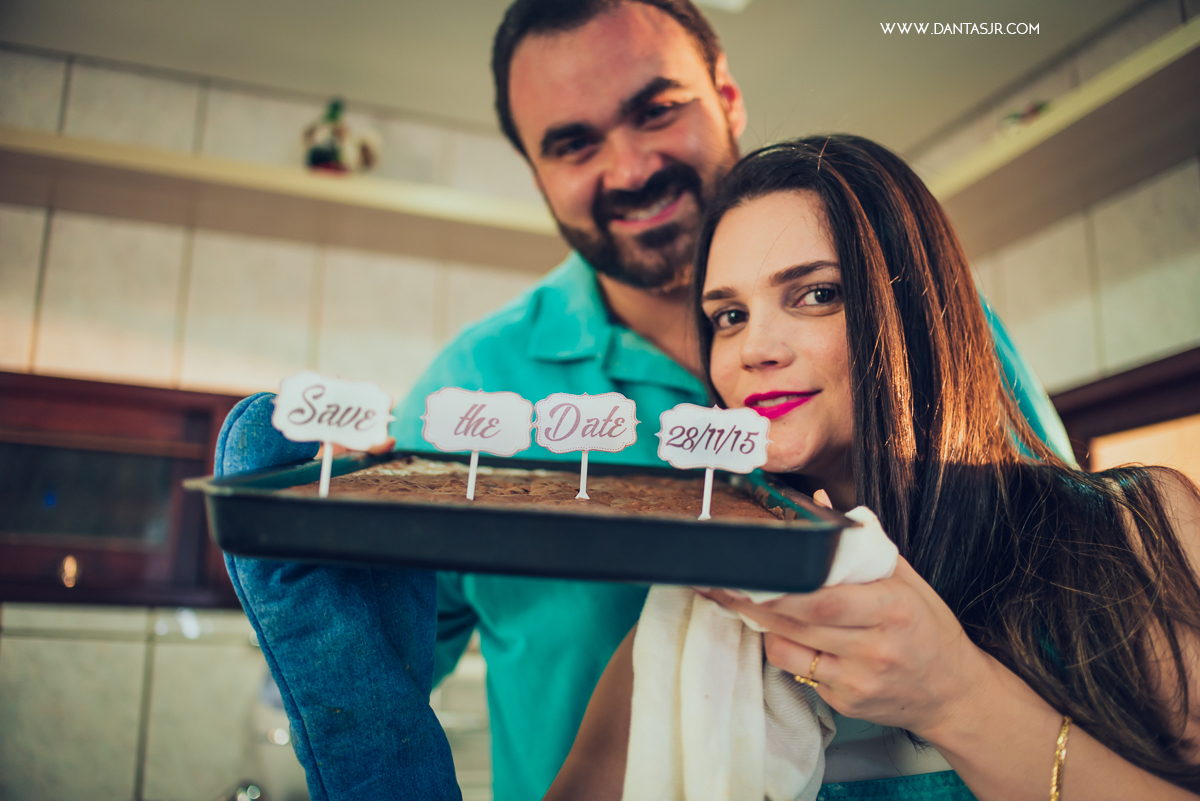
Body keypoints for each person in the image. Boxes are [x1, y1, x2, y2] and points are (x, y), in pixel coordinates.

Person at [218, 2, 1075, 799]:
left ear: (727, 96)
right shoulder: (469, 387)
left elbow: (1070, 591)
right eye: (573, 144)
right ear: (536, 172)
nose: (629, 167)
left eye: (657, 109)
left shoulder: (934, 339)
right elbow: (378, 666)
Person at [544, 135, 1200, 800]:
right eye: (730, 315)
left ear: (916, 309)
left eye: (815, 293)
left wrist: (953, 694)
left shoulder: (1131, 534)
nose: (754, 349)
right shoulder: (694, 615)